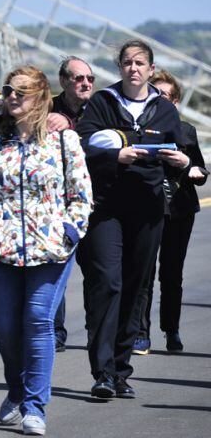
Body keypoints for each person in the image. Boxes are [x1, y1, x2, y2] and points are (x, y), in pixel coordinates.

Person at [0, 66, 93, 436]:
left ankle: (35, 407)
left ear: (40, 98)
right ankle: (16, 390)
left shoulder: (62, 141)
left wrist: (69, 232)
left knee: (38, 320)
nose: (12, 97)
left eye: (21, 92)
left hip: (51, 249)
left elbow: (81, 194)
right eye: (9, 90)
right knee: (5, 327)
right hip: (4, 247)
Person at [76, 39, 189, 400]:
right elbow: (80, 146)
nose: (134, 68)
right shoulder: (102, 103)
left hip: (148, 209)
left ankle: (121, 370)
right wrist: (116, 156)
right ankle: (103, 372)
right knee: (107, 283)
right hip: (106, 207)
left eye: (140, 63)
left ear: (151, 70)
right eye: (127, 62)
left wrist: (183, 163)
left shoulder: (164, 110)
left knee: (136, 286)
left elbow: (181, 150)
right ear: (120, 68)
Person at [133, 70, 207, 354]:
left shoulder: (186, 130)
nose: (161, 100)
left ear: (175, 101)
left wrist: (188, 164)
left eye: (167, 96)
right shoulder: (142, 128)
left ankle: (171, 330)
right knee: (144, 273)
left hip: (180, 209)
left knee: (172, 274)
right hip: (148, 208)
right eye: (156, 95)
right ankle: (141, 333)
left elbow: (199, 170)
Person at [45, 55, 96, 351]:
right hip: (56, 205)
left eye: (89, 78)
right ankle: (55, 331)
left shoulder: (102, 110)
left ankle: (96, 330)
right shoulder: (47, 109)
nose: (85, 83)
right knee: (55, 273)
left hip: (95, 202)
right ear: (63, 81)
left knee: (96, 272)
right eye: (78, 78)